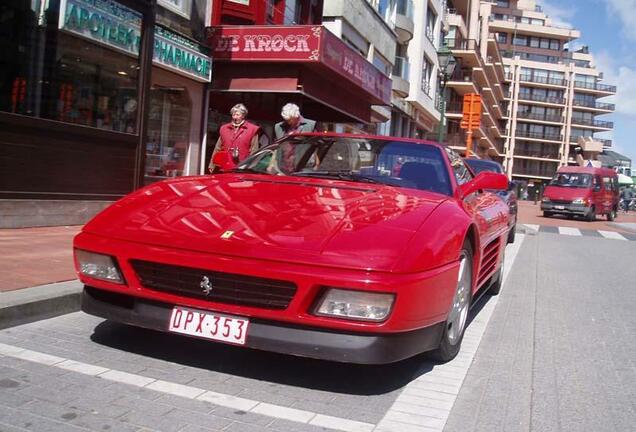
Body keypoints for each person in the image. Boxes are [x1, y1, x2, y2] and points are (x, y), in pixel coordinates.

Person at [208, 104, 260, 173]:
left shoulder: (252, 129)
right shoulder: (224, 129)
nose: (235, 117)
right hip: (226, 167)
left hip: (243, 168)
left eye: (238, 115)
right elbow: (217, 148)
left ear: (243, 115)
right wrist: (212, 164)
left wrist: (250, 167)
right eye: (233, 115)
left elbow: (254, 150)